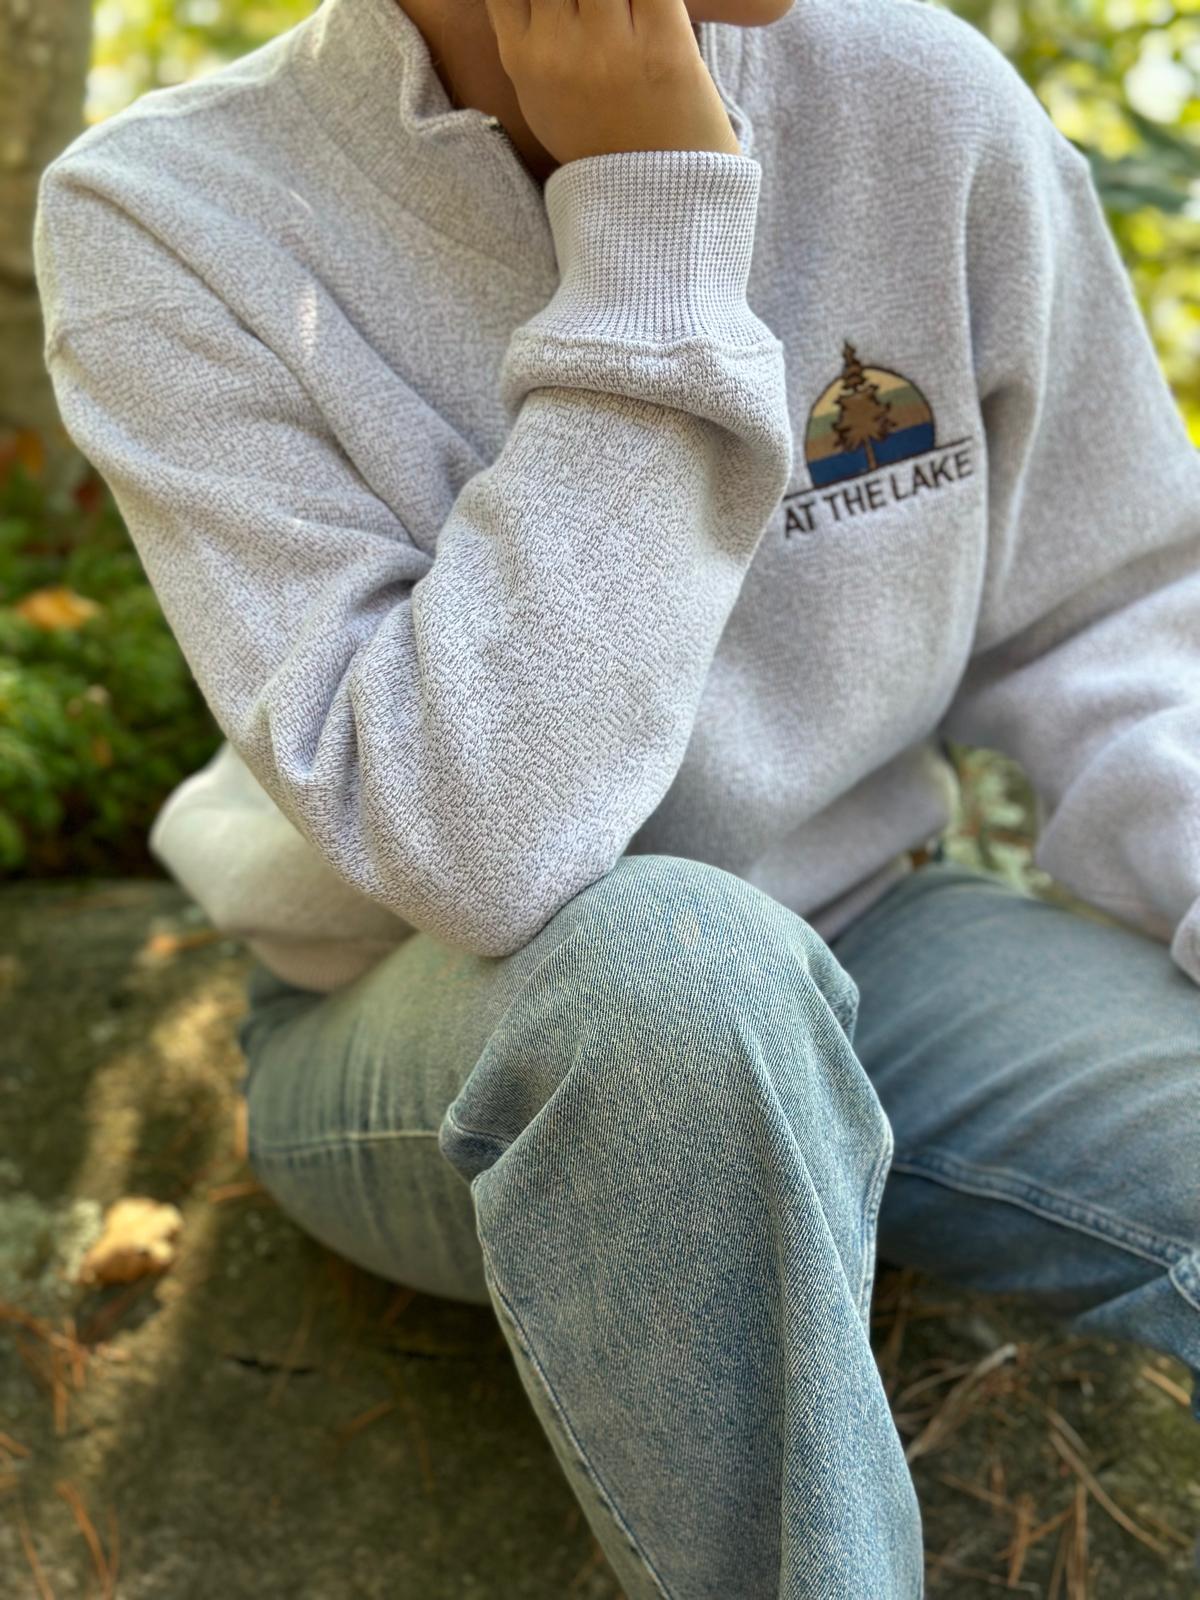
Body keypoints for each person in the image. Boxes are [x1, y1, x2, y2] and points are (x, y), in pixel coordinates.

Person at [32, 0, 1200, 1592]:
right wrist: (655, 225)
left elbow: (1108, 616)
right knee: (673, 970)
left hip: (875, 947)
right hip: (455, 1012)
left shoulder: (917, 97)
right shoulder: (172, 214)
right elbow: (478, 842)